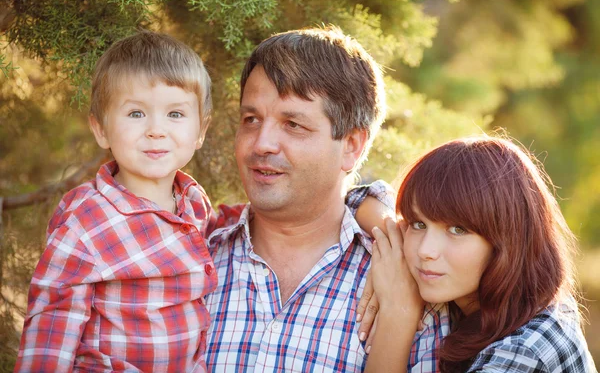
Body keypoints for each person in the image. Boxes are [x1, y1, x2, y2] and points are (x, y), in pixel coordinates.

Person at [203, 26, 446, 372]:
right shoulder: (193, 260)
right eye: (251, 119)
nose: (261, 144)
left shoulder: (409, 285)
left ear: (351, 146)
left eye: (293, 124)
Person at [15, 31, 243, 372]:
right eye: (136, 113)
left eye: (175, 114)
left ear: (201, 130)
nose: (156, 130)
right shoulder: (86, 219)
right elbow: (51, 323)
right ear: (101, 129)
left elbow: (224, 230)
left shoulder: (193, 201)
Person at [366, 135, 597, 372]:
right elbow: (360, 199)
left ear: (509, 239)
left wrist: (398, 313)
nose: (426, 251)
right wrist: (386, 233)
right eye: (418, 224)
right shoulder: (522, 300)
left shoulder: (524, 352)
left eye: (457, 230)